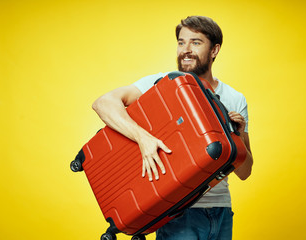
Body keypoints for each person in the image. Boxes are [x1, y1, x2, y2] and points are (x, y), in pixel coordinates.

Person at [92, 16, 253, 240]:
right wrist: (143, 138)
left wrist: (239, 136)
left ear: (214, 50)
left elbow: (245, 173)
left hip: (222, 211)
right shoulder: (161, 84)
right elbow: (103, 104)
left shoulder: (235, 98)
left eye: (195, 42)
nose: (185, 50)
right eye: (181, 42)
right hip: (177, 212)